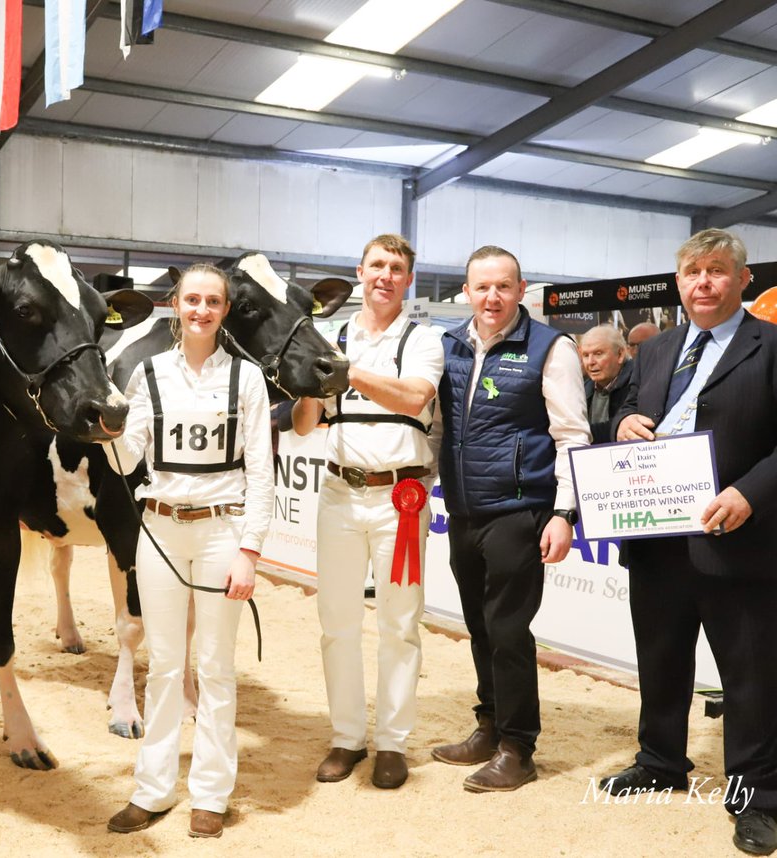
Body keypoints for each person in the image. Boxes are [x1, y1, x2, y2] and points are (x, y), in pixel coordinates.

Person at [601, 229, 777, 856]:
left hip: (739, 540)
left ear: (743, 279)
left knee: (751, 676)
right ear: (678, 282)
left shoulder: (771, 345)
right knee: (661, 660)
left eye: (717, 270)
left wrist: (750, 493)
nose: (704, 282)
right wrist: (622, 422)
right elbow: (620, 410)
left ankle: (757, 797)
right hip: (657, 540)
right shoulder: (655, 349)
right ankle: (660, 761)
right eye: (692, 272)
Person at [103, 263, 274, 840]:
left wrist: (250, 551)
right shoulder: (148, 373)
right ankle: (153, 789)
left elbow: (261, 471)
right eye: (192, 300)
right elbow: (128, 459)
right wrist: (108, 428)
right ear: (175, 304)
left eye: (213, 302)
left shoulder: (246, 379)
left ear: (225, 310)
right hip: (160, 528)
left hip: (222, 531)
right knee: (164, 665)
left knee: (216, 667)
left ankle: (211, 793)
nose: (202, 310)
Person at [432, 245, 590, 792]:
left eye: (503, 286)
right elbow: (438, 427)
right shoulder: (449, 344)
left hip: (520, 511)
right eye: (482, 287)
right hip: (463, 510)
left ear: (521, 290)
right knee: (478, 625)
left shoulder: (552, 347)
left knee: (507, 630)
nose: (492, 296)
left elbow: (571, 434)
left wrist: (564, 512)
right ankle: (490, 724)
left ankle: (518, 747)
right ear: (466, 292)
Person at [289, 234, 443, 789]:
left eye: (396, 268)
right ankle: (348, 737)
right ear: (359, 272)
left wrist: (341, 369)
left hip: (401, 498)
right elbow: (304, 426)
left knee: (399, 623)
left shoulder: (424, 339)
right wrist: (311, 381)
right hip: (339, 492)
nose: (385, 275)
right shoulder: (331, 335)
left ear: (408, 280)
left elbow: (413, 398)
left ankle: (392, 743)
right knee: (337, 621)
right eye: (377, 265)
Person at [580, 323, 632, 443]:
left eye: (598, 354)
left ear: (620, 354)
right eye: (586, 355)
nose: (590, 362)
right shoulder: (582, 387)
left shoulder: (639, 382)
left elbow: (622, 427)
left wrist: (577, 433)